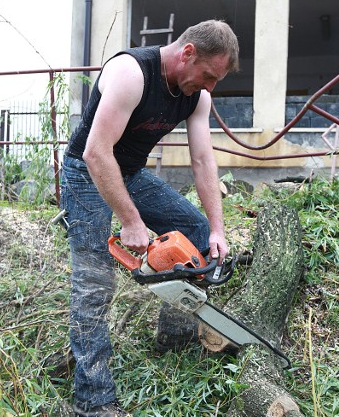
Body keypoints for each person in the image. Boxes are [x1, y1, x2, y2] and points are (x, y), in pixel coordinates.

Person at [60, 20, 239, 417]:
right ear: (188, 52)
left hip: (129, 172)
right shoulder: (131, 73)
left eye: (217, 80)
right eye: (208, 75)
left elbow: (203, 159)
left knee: (193, 232)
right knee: (94, 279)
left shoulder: (198, 97)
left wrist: (216, 228)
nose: (210, 86)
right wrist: (130, 220)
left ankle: (172, 336)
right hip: (86, 169)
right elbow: (95, 152)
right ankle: (94, 400)